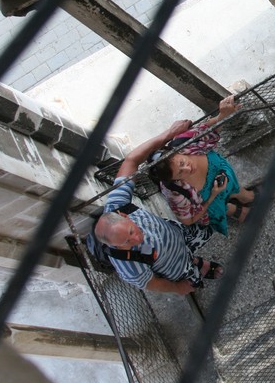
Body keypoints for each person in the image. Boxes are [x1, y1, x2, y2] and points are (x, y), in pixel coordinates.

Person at [94, 120, 223, 294]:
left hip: (178, 234)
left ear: (124, 216)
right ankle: (197, 267)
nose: (136, 240)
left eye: (132, 232)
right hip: (174, 266)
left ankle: (194, 259)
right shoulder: (127, 265)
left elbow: (131, 161)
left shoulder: (118, 204)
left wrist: (169, 133)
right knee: (191, 278)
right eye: (125, 243)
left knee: (205, 231)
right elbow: (152, 283)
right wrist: (177, 287)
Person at [148, 94, 256, 237]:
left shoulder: (184, 142)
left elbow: (207, 129)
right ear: (174, 179)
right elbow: (188, 220)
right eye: (180, 173)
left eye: (182, 162)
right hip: (212, 199)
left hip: (224, 175)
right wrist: (213, 195)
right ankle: (231, 209)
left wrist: (222, 115)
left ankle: (244, 196)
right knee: (219, 206)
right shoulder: (174, 192)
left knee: (233, 186)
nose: (188, 169)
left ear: (176, 152)